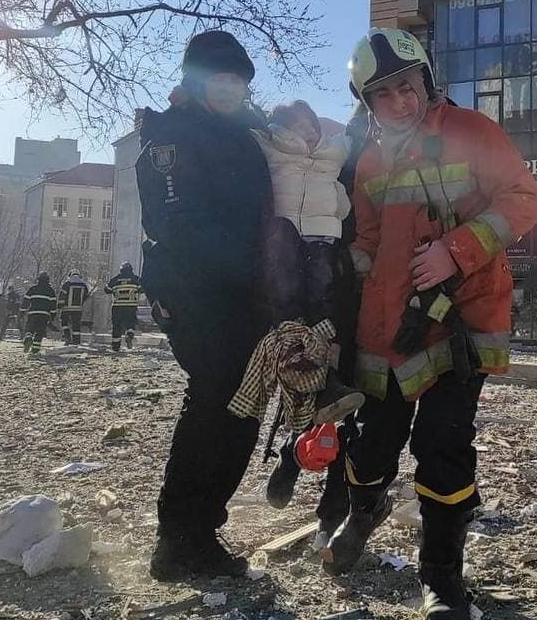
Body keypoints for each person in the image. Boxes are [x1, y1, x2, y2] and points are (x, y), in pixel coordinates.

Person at [321, 29, 537, 620]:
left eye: (407, 84)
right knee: (369, 444)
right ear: (367, 103)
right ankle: (364, 511)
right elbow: (368, 240)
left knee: (443, 448)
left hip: (460, 321)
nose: (400, 99)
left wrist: (457, 249)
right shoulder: (368, 158)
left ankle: (441, 575)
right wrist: (335, 271)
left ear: (427, 79)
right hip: (387, 327)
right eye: (384, 92)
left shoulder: (473, 131)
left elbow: (523, 199)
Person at [137, 29, 280, 581]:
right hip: (195, 289)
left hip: (245, 292)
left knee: (244, 404)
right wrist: (250, 264)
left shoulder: (245, 134)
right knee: (214, 396)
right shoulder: (171, 133)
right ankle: (178, 537)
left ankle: (202, 527)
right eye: (220, 78)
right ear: (196, 80)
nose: (231, 88)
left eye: (238, 80)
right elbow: (174, 220)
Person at [256, 100, 364, 510]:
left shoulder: (340, 156)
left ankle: (334, 507)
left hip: (348, 271)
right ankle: (290, 455)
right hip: (331, 274)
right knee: (311, 371)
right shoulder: (342, 148)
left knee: (346, 391)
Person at [105, 262, 144, 352]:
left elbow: (107, 290)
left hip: (117, 307)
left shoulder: (115, 279)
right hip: (131, 306)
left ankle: (116, 347)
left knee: (116, 326)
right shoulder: (136, 279)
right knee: (130, 323)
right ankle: (129, 335)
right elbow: (143, 288)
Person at [22, 273, 57, 354]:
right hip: (44, 315)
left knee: (30, 329)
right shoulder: (51, 291)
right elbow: (53, 305)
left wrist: (22, 311)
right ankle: (35, 351)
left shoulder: (32, 289)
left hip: (32, 313)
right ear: (48, 280)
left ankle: (28, 337)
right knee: (39, 333)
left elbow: (25, 301)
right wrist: (52, 316)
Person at [57, 271, 89, 345]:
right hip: (78, 309)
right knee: (76, 325)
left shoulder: (67, 283)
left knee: (64, 322)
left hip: (66, 308)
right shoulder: (84, 284)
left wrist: (59, 305)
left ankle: (67, 337)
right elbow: (86, 296)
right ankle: (76, 341)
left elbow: (62, 295)